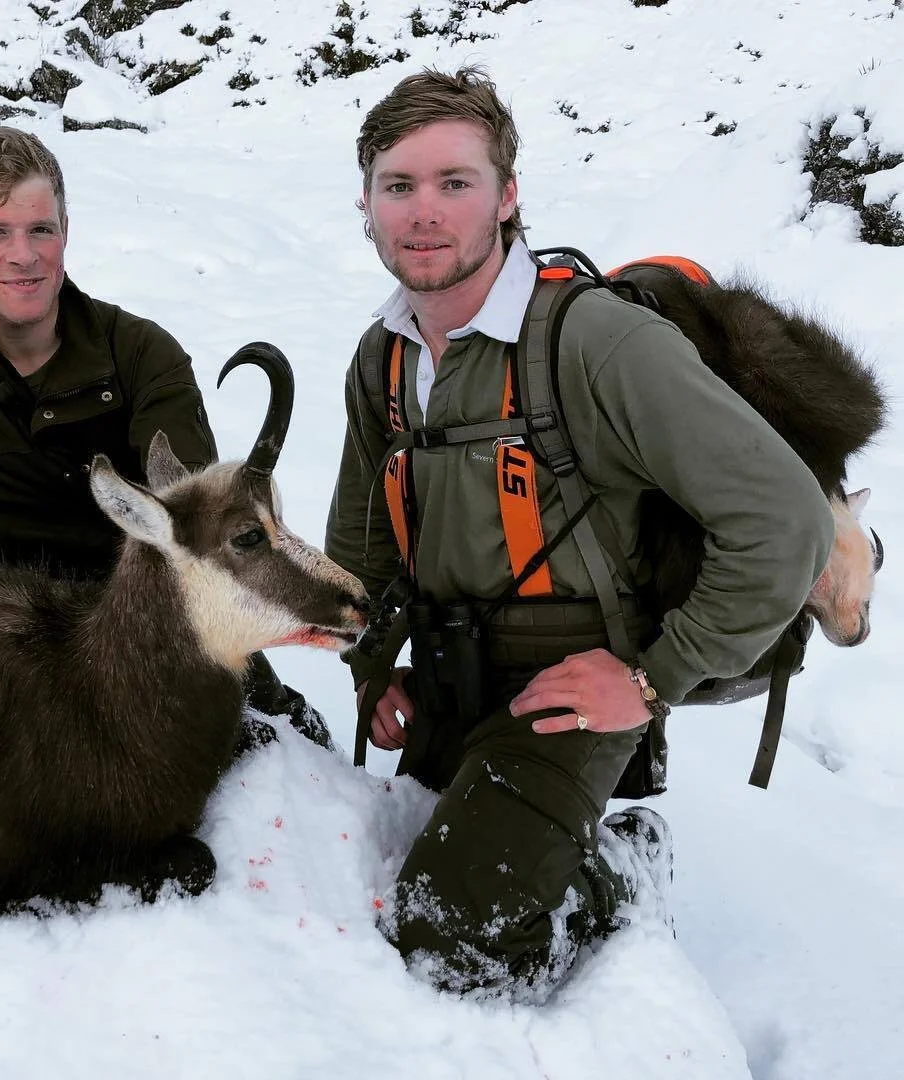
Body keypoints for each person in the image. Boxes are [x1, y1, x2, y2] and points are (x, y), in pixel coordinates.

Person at [325, 67, 834, 992]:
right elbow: (361, 541)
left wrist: (651, 679)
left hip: (576, 693)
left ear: (507, 196)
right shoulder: (382, 356)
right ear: (367, 205)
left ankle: (623, 866)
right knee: (352, 885)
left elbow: (784, 521)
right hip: (449, 671)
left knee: (454, 940)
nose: (424, 212)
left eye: (454, 182)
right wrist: (370, 667)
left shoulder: (595, 341)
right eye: (398, 185)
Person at [0, 124, 325, 748]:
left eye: (41, 228)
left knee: (292, 762)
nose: (25, 255)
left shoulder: (142, 353)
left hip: (175, 642)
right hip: (20, 664)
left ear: (66, 228)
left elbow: (197, 519)